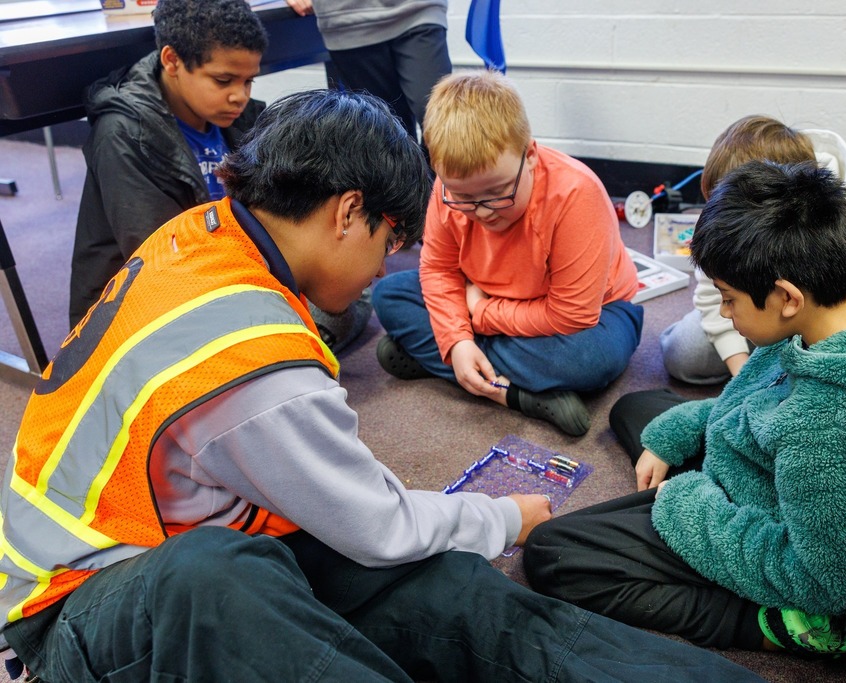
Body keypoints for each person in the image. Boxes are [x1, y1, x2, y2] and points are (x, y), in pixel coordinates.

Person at [0, 89, 767, 683]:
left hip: (218, 532)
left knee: (445, 588)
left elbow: (371, 523)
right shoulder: (256, 356)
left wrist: (463, 521)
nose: (381, 267)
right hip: (71, 608)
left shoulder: (206, 233)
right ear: (347, 214)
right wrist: (500, 514)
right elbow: (375, 519)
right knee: (228, 581)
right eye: (387, 242)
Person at [522, 160, 846, 659]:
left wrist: (692, 506)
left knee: (554, 555)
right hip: (785, 467)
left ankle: (773, 624)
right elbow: (764, 394)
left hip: (812, 573)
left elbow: (825, 582)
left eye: (729, 300)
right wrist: (690, 432)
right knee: (638, 411)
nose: (725, 315)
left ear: (786, 298)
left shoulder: (832, 431)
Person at [68, 0, 371, 351]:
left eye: (248, 81)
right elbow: (164, 266)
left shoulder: (239, 118)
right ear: (172, 61)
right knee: (326, 308)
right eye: (224, 80)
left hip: (225, 273)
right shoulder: (124, 132)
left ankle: (291, 344)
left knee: (345, 289)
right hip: (150, 308)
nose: (239, 96)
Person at [371, 70, 643, 437]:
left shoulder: (577, 194)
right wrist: (458, 341)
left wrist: (479, 316)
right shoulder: (445, 190)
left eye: (498, 192)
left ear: (529, 154)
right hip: (489, 299)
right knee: (388, 295)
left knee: (592, 360)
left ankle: (449, 363)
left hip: (593, 315)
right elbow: (437, 271)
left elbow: (572, 314)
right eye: (464, 198)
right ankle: (516, 394)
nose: (482, 211)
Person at [660, 115, 846, 384]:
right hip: (759, 309)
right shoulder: (728, 234)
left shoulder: (830, 217)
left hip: (810, 317)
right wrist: (744, 379)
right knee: (683, 353)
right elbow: (713, 295)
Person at [291, 0, 452, 152]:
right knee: (384, 133)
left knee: (442, 120)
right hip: (348, 20)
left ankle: (442, 180)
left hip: (418, 11)